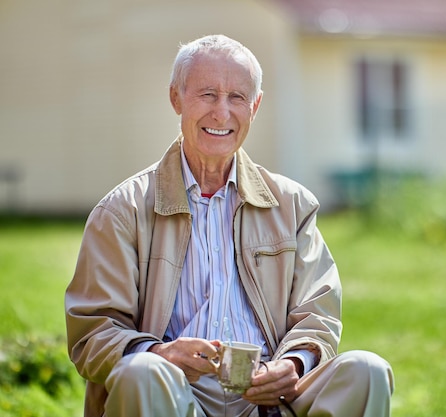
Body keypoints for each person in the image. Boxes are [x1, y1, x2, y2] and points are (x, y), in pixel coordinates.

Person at [65, 34, 394, 417]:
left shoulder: (292, 205)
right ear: (176, 98)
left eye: (237, 97)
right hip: (173, 395)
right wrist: (159, 353)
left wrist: (293, 366)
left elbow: (317, 314)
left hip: (272, 402)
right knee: (142, 371)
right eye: (207, 94)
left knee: (367, 370)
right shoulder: (123, 210)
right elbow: (93, 332)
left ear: (254, 106)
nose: (222, 113)